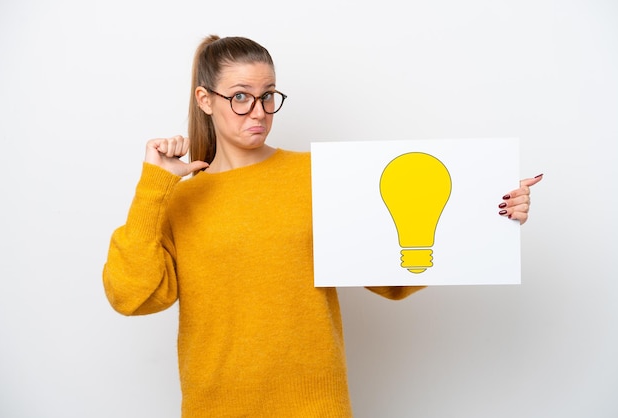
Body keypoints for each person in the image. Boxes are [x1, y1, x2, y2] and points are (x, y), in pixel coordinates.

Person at [103, 35, 543, 417]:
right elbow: (132, 296)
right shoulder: (179, 197)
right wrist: (154, 183)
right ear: (205, 100)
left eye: (268, 95)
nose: (258, 111)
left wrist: (488, 214)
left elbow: (393, 279)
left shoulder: (320, 176)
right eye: (240, 96)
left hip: (316, 404)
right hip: (214, 406)